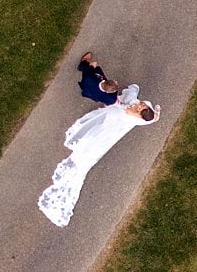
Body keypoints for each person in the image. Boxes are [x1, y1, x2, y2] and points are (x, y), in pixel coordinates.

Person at [38, 84, 159, 228]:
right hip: (110, 124)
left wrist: (134, 95)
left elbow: (131, 98)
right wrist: (155, 109)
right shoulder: (143, 115)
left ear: (140, 112)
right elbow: (152, 115)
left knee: (87, 149)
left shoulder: (131, 113)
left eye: (141, 107)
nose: (140, 105)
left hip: (107, 128)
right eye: (142, 106)